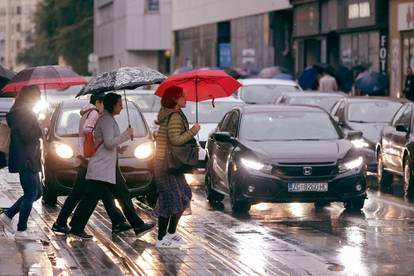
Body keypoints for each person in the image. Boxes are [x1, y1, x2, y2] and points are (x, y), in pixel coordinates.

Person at [69, 93, 154, 239]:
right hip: (102, 167)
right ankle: (76, 226)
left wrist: (118, 146)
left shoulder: (108, 119)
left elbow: (106, 143)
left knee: (120, 195)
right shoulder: (106, 120)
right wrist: (126, 135)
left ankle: (136, 225)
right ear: (113, 105)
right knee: (92, 198)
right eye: (119, 103)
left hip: (106, 166)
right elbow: (108, 142)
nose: (121, 106)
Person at [52, 94, 131, 235]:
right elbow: (88, 131)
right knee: (82, 193)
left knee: (98, 192)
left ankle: (117, 220)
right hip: (89, 159)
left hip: (87, 158)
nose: (103, 108)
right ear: (98, 102)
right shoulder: (94, 113)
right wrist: (92, 148)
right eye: (103, 104)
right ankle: (63, 223)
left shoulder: (86, 113)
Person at [153, 86, 200, 248]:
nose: (185, 99)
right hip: (165, 164)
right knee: (169, 199)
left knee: (183, 195)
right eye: (182, 96)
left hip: (171, 164)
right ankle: (160, 239)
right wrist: (193, 131)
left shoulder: (175, 114)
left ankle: (171, 233)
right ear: (175, 100)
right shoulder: (174, 116)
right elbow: (175, 140)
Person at [0, 85, 43, 240]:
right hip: (26, 158)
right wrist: (40, 125)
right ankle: (21, 230)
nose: (39, 98)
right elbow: (28, 135)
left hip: (29, 157)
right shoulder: (23, 113)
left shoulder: (23, 111)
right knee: (31, 193)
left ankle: (7, 216)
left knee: (37, 193)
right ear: (31, 97)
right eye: (38, 95)